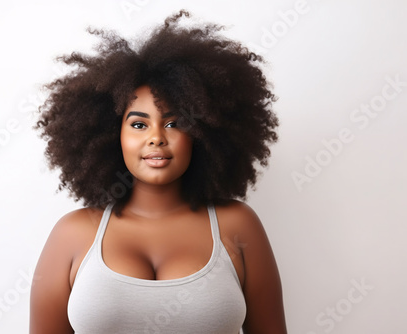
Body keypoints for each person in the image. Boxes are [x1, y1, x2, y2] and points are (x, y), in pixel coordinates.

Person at [29, 9, 287, 334]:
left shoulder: (237, 227)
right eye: (139, 124)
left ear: (202, 131)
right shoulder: (73, 234)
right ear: (111, 134)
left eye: (174, 123)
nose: (156, 137)